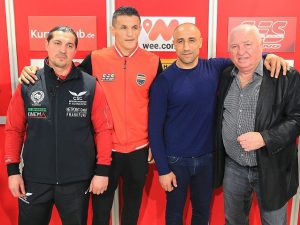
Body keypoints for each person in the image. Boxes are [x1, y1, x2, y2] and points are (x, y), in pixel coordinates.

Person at [19, 6, 162, 225]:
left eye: (135, 27)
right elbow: (64, 74)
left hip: (139, 151)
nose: (130, 33)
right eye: (123, 27)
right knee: (100, 213)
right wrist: (34, 70)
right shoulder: (96, 58)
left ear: (141, 29)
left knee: (132, 210)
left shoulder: (153, 61)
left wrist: (155, 142)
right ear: (112, 29)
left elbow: (159, 107)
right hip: (104, 151)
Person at [148, 23, 289, 225]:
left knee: (202, 213)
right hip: (176, 162)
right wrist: (163, 169)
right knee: (174, 215)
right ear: (174, 45)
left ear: (200, 43)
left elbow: (245, 59)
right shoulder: (164, 81)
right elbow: (154, 127)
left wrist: (269, 56)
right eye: (180, 41)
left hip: (207, 161)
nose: (186, 46)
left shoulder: (215, 68)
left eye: (191, 40)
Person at [4, 26, 113, 225]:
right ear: (46, 45)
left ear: (75, 51)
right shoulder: (29, 83)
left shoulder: (90, 85)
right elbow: (13, 129)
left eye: (69, 45)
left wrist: (102, 171)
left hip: (77, 181)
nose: (63, 50)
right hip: (35, 180)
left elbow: (104, 130)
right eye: (57, 43)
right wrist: (12, 172)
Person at [214, 24, 300, 225]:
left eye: (247, 44)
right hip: (233, 167)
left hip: (271, 168)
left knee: (273, 222)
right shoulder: (226, 75)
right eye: (234, 46)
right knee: (233, 221)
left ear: (262, 45)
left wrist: (265, 138)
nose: (241, 51)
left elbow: (297, 118)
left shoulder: (286, 76)